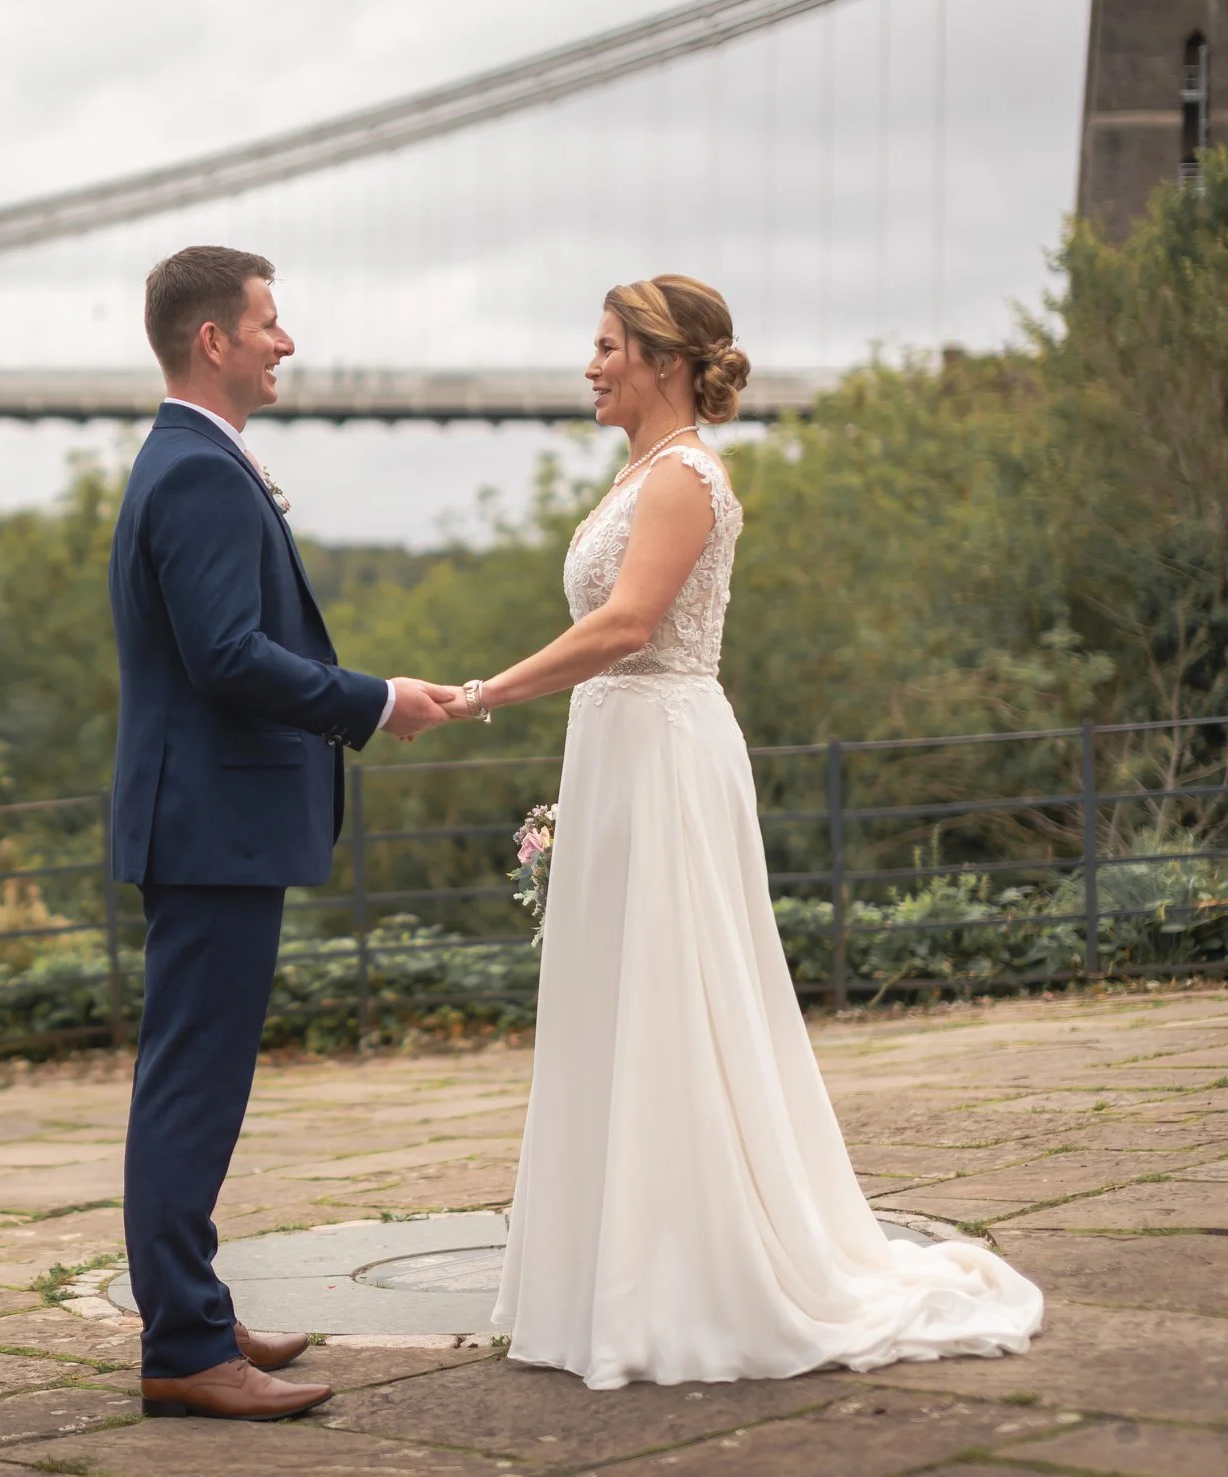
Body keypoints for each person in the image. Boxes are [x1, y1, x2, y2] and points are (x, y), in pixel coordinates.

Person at [450, 274, 1043, 1389]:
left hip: (664, 754)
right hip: (621, 750)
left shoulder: (681, 478)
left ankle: (688, 1276)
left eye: (607, 344)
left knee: (678, 995)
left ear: (664, 361)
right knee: (623, 999)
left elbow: (628, 625)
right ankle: (609, 1276)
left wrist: (484, 692)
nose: (590, 363)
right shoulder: (636, 472)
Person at [109, 245, 458, 1421]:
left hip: (207, 822)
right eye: (269, 320)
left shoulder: (191, 457)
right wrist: (373, 700)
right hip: (211, 825)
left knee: (197, 1079)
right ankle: (186, 1349)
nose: (285, 339)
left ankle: (191, 1309)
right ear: (213, 339)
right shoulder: (201, 471)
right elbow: (225, 657)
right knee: (190, 1090)